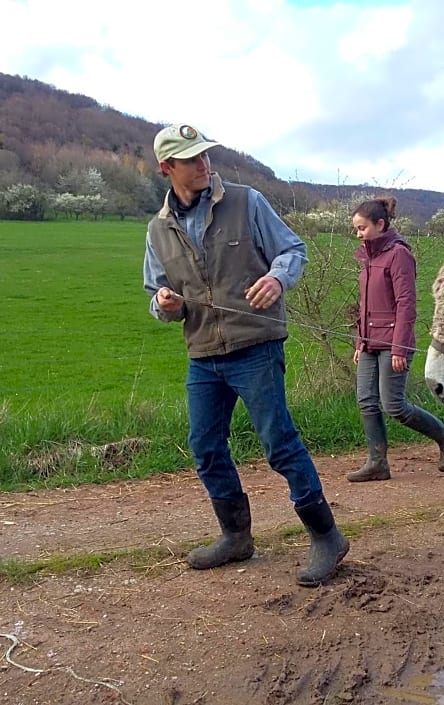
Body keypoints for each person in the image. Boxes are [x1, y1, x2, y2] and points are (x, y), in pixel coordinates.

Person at [142, 123, 349, 586]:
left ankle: (327, 536)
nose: (204, 164)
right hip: (203, 354)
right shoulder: (158, 230)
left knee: (279, 443)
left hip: (256, 346)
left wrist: (277, 278)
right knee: (205, 447)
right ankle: (236, 536)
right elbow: (158, 297)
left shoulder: (246, 200)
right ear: (166, 168)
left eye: (205, 155)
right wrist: (165, 304)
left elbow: (293, 250)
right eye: (192, 158)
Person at [349, 196, 444, 482]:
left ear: (380, 224)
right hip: (369, 344)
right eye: (356, 229)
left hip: (393, 344)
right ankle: (377, 463)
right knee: (366, 401)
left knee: (394, 406)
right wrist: (359, 342)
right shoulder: (368, 256)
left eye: (362, 228)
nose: (358, 234)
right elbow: (365, 304)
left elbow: (406, 304)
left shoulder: (398, 254)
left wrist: (399, 346)